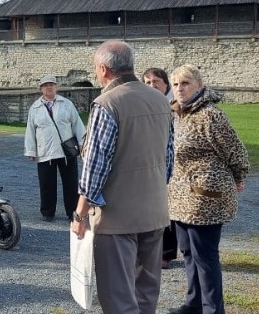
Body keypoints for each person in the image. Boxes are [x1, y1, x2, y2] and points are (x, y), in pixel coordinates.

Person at [70, 40, 174, 314]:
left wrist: (80, 214)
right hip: (154, 211)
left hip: (117, 217)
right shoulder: (161, 101)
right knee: (145, 294)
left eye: (96, 68)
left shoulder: (107, 103)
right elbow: (168, 160)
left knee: (118, 298)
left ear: (103, 69)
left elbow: (95, 164)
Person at [166, 64, 250, 314]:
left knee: (205, 256)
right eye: (176, 84)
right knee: (188, 252)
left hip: (205, 197)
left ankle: (214, 309)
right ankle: (194, 304)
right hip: (180, 195)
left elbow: (236, 152)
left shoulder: (211, 116)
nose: (180, 89)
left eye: (185, 83)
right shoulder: (177, 114)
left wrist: (238, 176)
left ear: (199, 86)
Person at [24, 74, 86, 222]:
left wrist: (83, 143)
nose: (49, 87)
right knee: (47, 184)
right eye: (45, 85)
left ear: (56, 87)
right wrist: (31, 150)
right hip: (45, 151)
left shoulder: (66, 104)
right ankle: (47, 211)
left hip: (66, 151)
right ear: (41, 89)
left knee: (70, 183)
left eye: (51, 84)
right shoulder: (35, 108)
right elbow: (30, 130)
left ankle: (72, 211)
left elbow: (77, 124)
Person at [143, 67, 177, 269]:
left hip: (172, 163)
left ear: (166, 84)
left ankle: (166, 253)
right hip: (151, 162)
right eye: (147, 82)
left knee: (168, 211)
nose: (152, 86)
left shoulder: (175, 105)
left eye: (156, 81)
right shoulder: (145, 104)